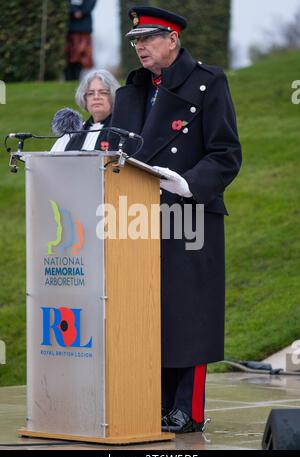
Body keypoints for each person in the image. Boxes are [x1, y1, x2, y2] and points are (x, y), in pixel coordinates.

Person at [110, 6, 242, 433]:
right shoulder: (130, 92)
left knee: (188, 314)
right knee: (145, 312)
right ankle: (151, 400)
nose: (140, 47)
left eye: (147, 39)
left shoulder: (208, 82)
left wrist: (187, 183)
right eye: (135, 40)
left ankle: (187, 408)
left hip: (190, 215)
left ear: (173, 39)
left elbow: (226, 153)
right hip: (135, 217)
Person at [51, 69, 120, 152]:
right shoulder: (73, 132)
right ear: (84, 99)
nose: (96, 97)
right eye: (91, 93)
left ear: (113, 96)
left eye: (103, 92)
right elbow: (53, 159)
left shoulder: (120, 131)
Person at [65, 0, 97, 81]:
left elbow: (90, 4)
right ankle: (69, 80)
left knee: (82, 59)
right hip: (69, 30)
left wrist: (81, 12)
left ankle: (77, 80)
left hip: (83, 30)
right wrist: (74, 10)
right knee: (68, 58)